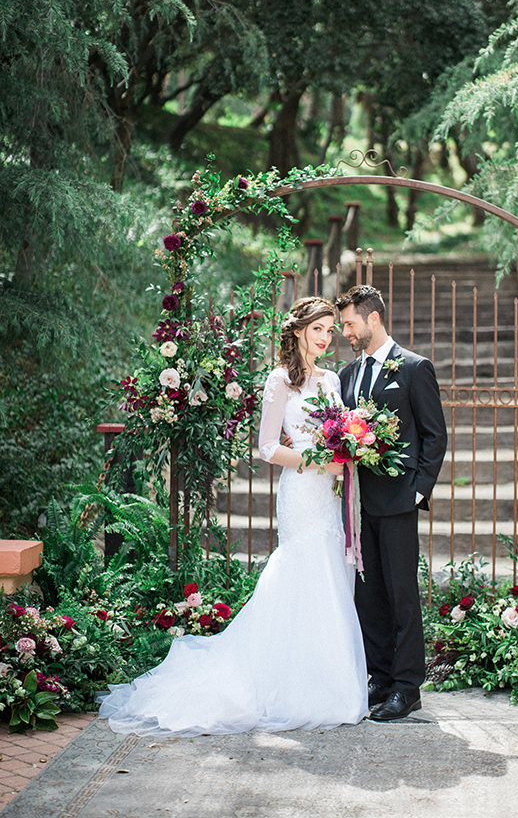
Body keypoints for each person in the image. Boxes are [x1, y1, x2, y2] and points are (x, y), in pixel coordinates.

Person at [98, 297, 368, 736]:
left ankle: (330, 683)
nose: (324, 338)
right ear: (298, 331)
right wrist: (318, 462)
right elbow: (265, 447)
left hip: (329, 493)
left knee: (331, 573)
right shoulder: (280, 381)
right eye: (316, 329)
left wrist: (344, 453)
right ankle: (288, 684)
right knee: (303, 569)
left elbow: (336, 436)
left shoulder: (333, 379)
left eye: (329, 331)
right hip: (303, 490)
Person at [336, 285, 447, 721]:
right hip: (357, 503)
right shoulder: (346, 376)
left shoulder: (415, 369)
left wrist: (417, 491)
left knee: (402, 596)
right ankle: (379, 679)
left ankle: (407, 687)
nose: (346, 331)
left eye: (349, 323)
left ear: (374, 319)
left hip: (399, 502)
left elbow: (434, 436)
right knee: (369, 597)